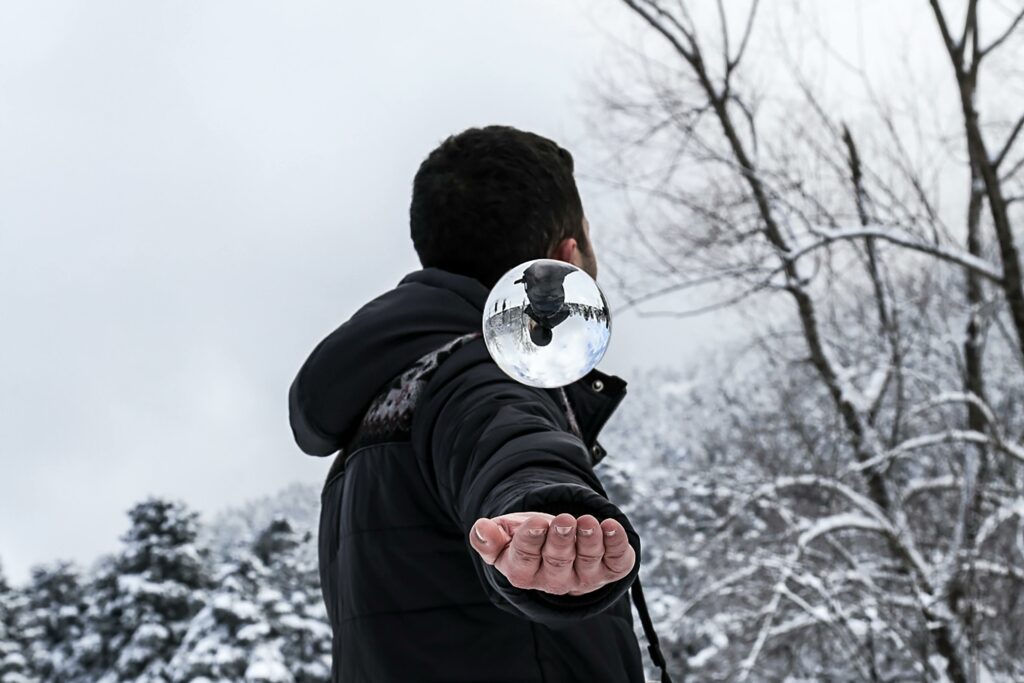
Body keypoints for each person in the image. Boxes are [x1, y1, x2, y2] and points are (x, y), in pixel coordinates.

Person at [288, 125, 671, 682]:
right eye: (588, 240)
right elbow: (506, 441)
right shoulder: (484, 370)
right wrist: (541, 511)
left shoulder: (379, 410)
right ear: (565, 259)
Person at [515, 260, 575, 346]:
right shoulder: (542, 308)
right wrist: (532, 276)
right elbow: (546, 275)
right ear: (531, 327)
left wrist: (529, 280)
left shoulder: (551, 310)